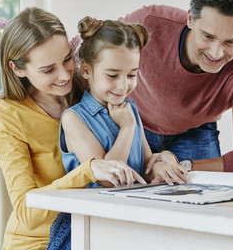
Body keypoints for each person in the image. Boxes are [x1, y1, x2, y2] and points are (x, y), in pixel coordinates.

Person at [0, 7, 146, 250]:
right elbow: (26, 213)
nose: (65, 75)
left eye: (68, 58)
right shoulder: (9, 113)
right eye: (48, 69)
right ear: (18, 69)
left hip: (95, 233)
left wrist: (162, 158)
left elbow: (133, 144)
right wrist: (90, 170)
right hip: (39, 242)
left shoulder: (90, 88)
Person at [46, 16, 187, 250]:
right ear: (86, 70)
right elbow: (107, 177)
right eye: (112, 75)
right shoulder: (74, 119)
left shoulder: (129, 109)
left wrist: (159, 165)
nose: (123, 86)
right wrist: (127, 128)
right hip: (90, 226)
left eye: (131, 75)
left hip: (129, 218)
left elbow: (145, 162)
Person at [121, 0, 233, 174]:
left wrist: (183, 166)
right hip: (133, 123)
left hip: (195, 131)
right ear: (190, 19)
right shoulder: (148, 23)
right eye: (208, 36)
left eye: (230, 42)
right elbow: (89, 47)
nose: (216, 53)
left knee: (197, 199)